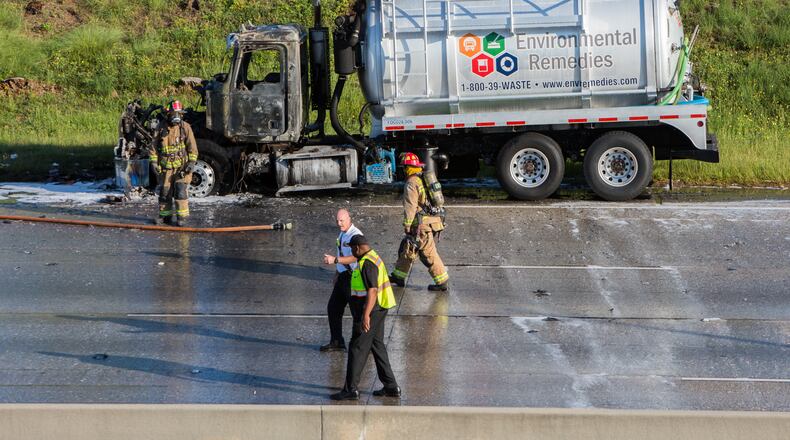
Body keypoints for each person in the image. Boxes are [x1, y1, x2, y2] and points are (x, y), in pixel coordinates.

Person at [331, 235, 400, 400]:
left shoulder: (367, 264)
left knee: (357, 347)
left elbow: (372, 291)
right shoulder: (372, 256)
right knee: (377, 346)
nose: (351, 251)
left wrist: (366, 316)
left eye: (352, 248)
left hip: (372, 310)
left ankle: (351, 389)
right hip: (380, 308)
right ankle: (391, 386)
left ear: (357, 247)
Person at [390, 152, 449, 291]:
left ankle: (442, 281)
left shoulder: (412, 182)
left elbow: (410, 206)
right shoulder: (422, 178)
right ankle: (398, 276)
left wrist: (407, 225)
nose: (403, 170)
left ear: (408, 168)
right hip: (431, 221)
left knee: (428, 253)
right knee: (409, 249)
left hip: (422, 225)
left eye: (404, 167)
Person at [148, 100, 198, 227]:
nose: (176, 116)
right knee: (165, 193)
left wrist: (191, 163)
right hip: (166, 168)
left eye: (179, 113)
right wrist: (154, 163)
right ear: (167, 114)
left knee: (180, 191)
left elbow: (192, 148)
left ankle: (182, 217)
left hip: (182, 168)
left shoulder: (185, 127)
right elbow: (153, 148)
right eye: (173, 113)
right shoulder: (160, 128)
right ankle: (165, 217)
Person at [320, 209, 363, 352]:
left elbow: (357, 257)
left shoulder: (355, 235)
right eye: (337, 221)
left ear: (349, 219)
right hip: (343, 277)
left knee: (357, 313)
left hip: (353, 279)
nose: (339, 223)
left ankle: (362, 345)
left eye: (342, 220)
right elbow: (342, 252)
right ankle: (337, 341)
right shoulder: (343, 233)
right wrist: (337, 274)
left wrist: (335, 260)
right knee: (333, 308)